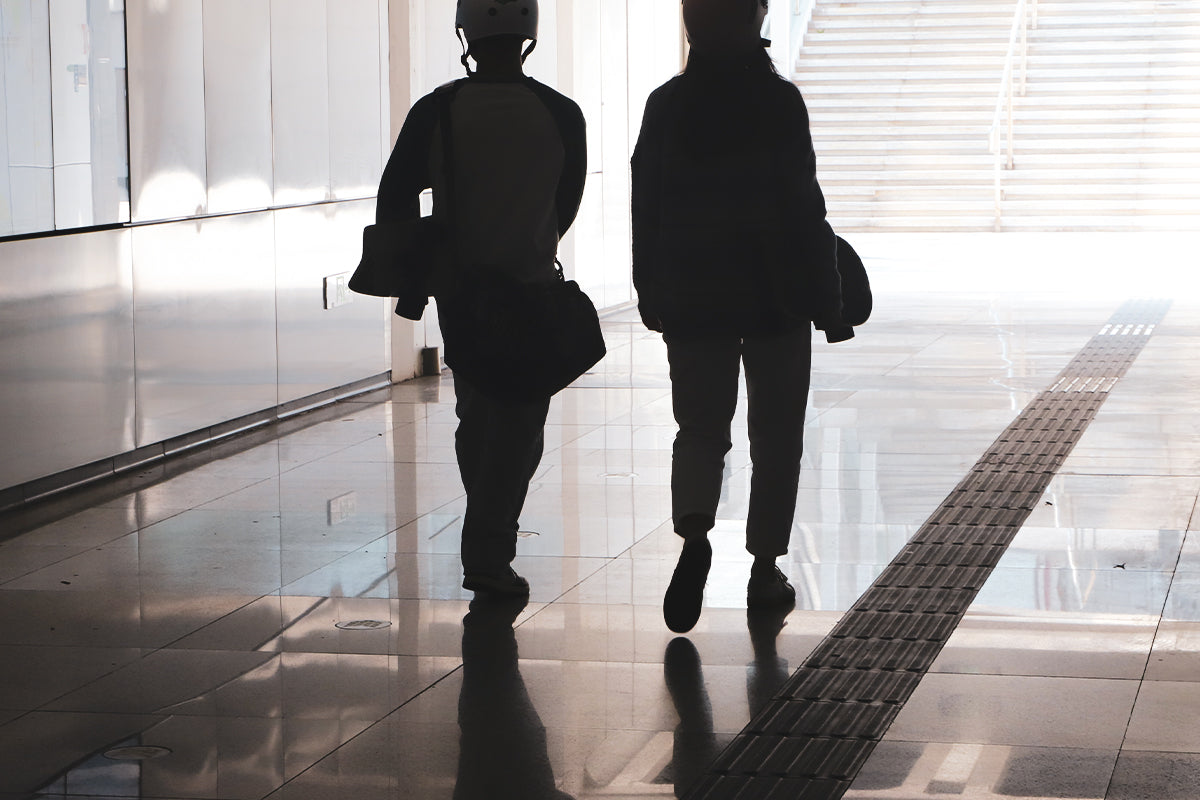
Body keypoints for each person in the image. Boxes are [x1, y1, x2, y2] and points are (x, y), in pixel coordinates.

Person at [631, 0, 845, 633]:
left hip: (693, 294)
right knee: (776, 437)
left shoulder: (667, 104)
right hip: (774, 295)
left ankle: (696, 537)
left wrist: (650, 286)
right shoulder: (778, 102)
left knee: (699, 428)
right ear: (755, 19)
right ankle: (764, 567)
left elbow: (646, 200)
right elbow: (805, 207)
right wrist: (827, 298)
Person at [375, 0, 586, 597]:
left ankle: (488, 542)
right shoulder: (561, 113)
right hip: (533, 290)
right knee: (522, 425)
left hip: (463, 295)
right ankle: (489, 550)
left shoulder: (437, 111)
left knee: (478, 420)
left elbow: (393, 200)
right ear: (530, 35)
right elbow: (564, 203)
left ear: (465, 32)